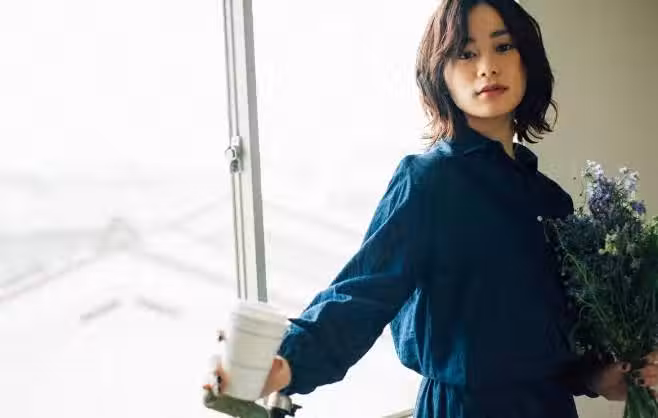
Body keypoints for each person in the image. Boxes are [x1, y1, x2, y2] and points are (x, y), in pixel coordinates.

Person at [208, 0, 658, 416]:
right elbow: (361, 294)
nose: (487, 66)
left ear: (527, 61)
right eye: (466, 53)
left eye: (503, 46)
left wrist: (605, 377)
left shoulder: (551, 199)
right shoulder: (428, 182)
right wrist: (285, 364)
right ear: (439, 74)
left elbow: (564, 344)